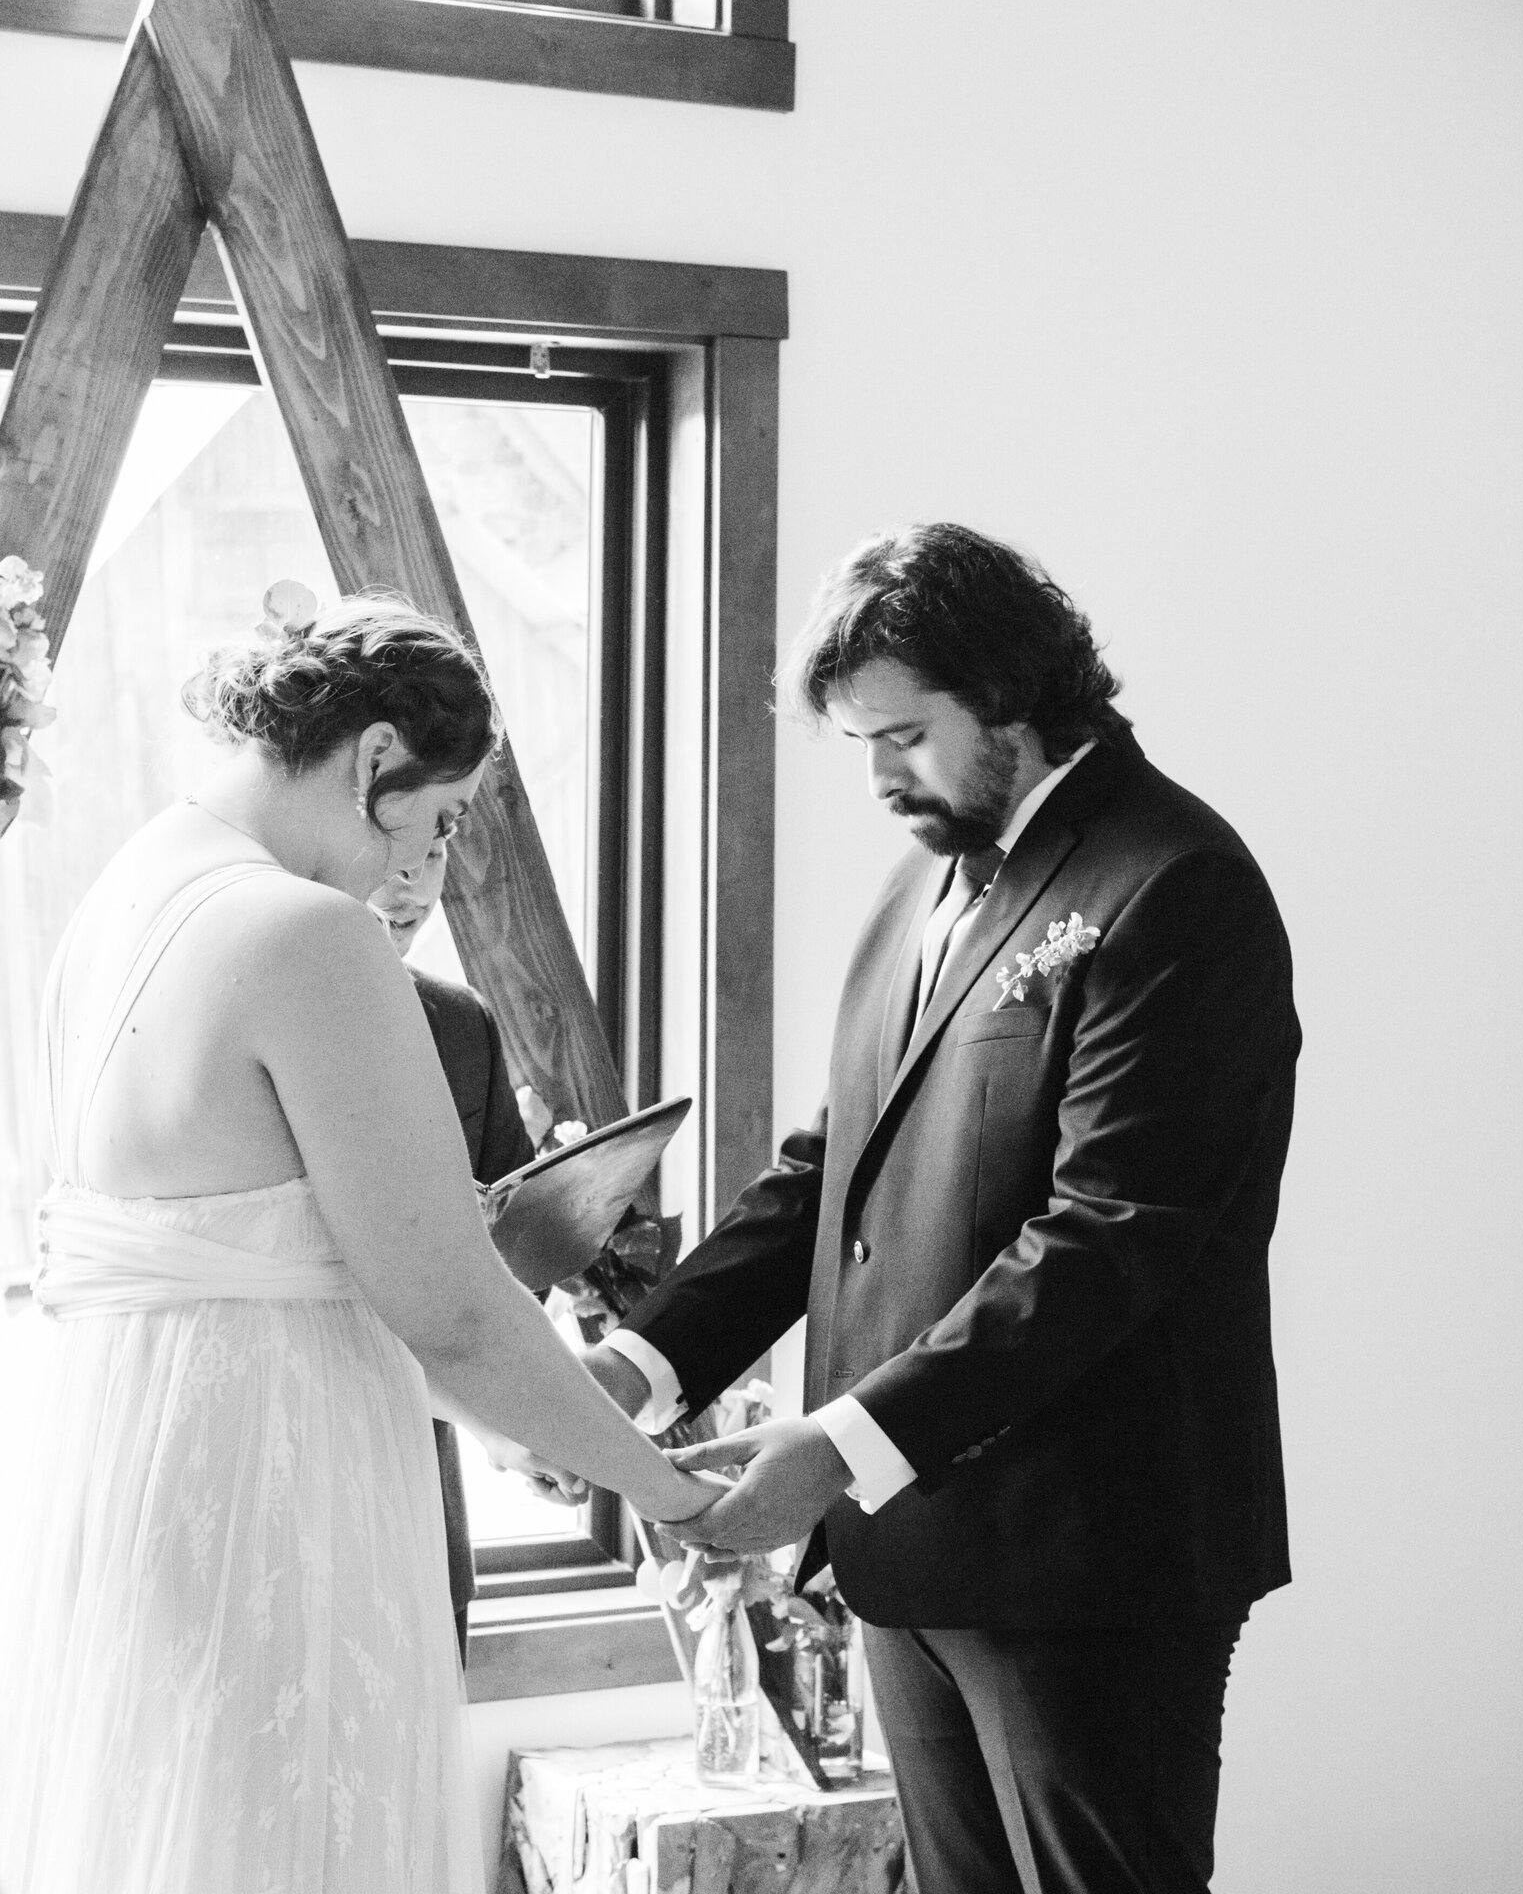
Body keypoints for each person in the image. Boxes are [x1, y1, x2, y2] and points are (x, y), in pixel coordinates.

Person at [583, 524, 1300, 1894]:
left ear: (1015, 699)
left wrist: (846, 1441)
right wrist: (645, 1361)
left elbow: (1110, 1237)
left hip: (1091, 1554)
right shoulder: (925, 881)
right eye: (860, 742)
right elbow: (829, 1175)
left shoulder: (1175, 887)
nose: (878, 777)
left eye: (903, 736)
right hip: (907, 1552)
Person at [0, 592, 716, 1894]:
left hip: (130, 1507)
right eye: (438, 820)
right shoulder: (304, 936)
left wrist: (525, 1424)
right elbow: (445, 1306)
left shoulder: (115, 904)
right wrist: (675, 1497)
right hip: (279, 1505)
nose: (418, 870)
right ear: (377, 758)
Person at [370, 836, 541, 1666]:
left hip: (423, 1495)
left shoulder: (462, 1024)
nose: (412, 882)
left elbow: (514, 1265)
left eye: (435, 851)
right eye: (394, 850)